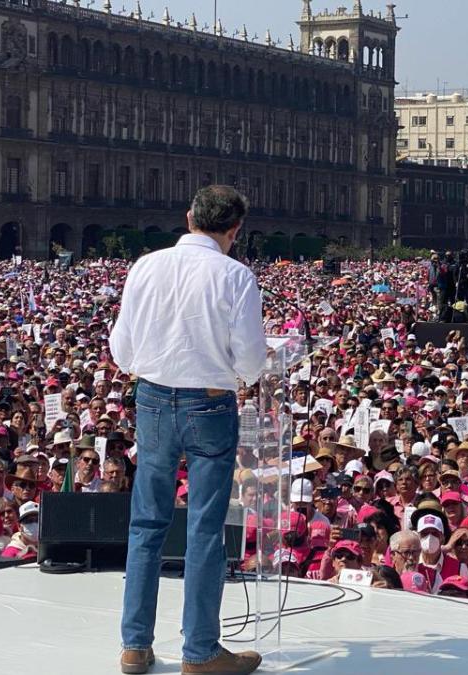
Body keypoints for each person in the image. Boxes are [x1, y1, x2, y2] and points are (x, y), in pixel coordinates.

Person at [110, 185, 265, 675]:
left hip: (153, 398)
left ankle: (135, 645)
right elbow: (251, 357)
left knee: (146, 524)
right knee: (203, 527)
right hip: (210, 405)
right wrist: (242, 376)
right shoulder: (235, 276)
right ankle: (199, 652)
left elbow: (122, 347)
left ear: (189, 216)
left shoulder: (146, 265)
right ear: (234, 230)